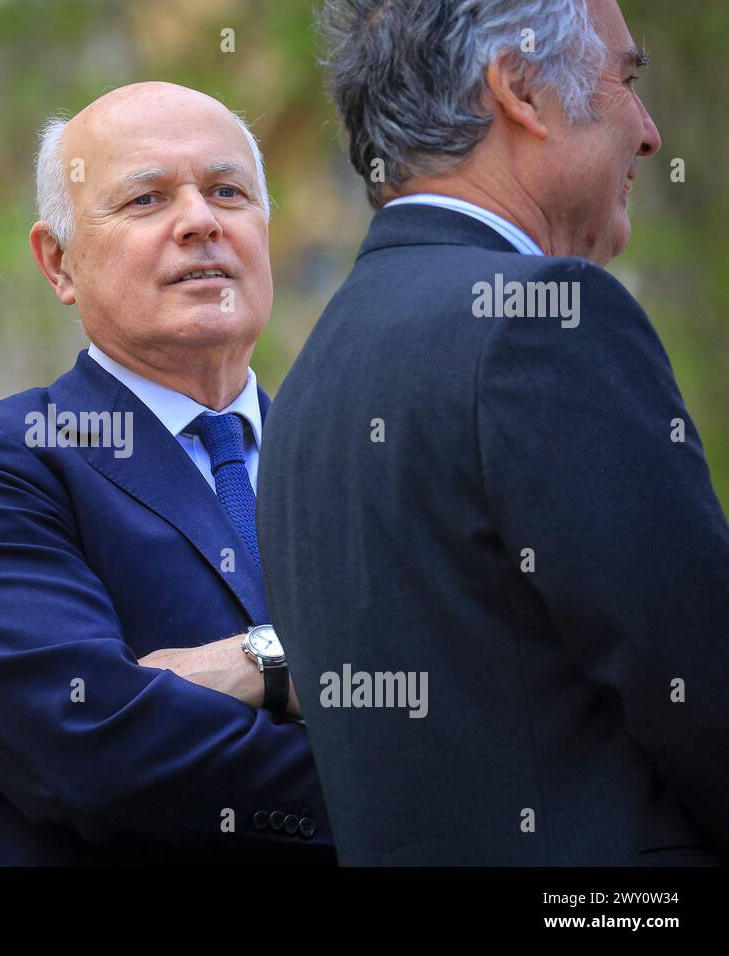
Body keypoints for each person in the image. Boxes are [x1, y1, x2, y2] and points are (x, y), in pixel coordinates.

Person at [259, 0, 729, 865]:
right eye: (627, 78)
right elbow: (704, 689)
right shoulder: (546, 322)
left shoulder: (316, 370)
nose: (651, 131)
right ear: (518, 86)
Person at [0, 81, 333, 865]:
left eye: (227, 191)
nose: (201, 220)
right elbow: (93, 746)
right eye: (146, 200)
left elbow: (478, 691)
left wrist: (244, 664)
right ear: (58, 264)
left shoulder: (353, 459)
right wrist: (400, 780)